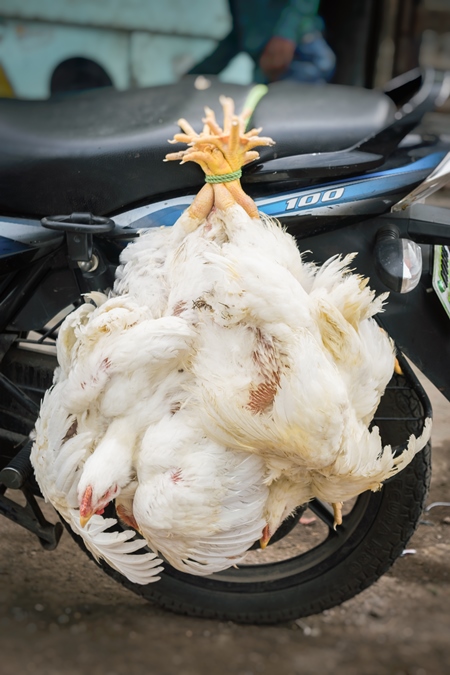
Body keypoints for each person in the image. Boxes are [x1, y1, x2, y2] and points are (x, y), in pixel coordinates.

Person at [189, 0, 335, 84]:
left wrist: (286, 35)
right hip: (265, 66)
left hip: (300, 55)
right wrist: (196, 75)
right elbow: (239, 33)